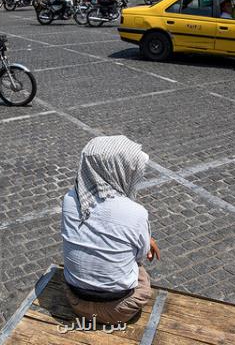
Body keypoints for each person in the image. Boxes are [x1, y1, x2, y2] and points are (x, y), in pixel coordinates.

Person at [62, 135, 159, 325]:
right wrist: (147, 239)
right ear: (117, 170)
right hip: (120, 309)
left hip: (75, 301)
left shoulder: (70, 200)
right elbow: (140, 257)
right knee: (141, 276)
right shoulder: (136, 213)